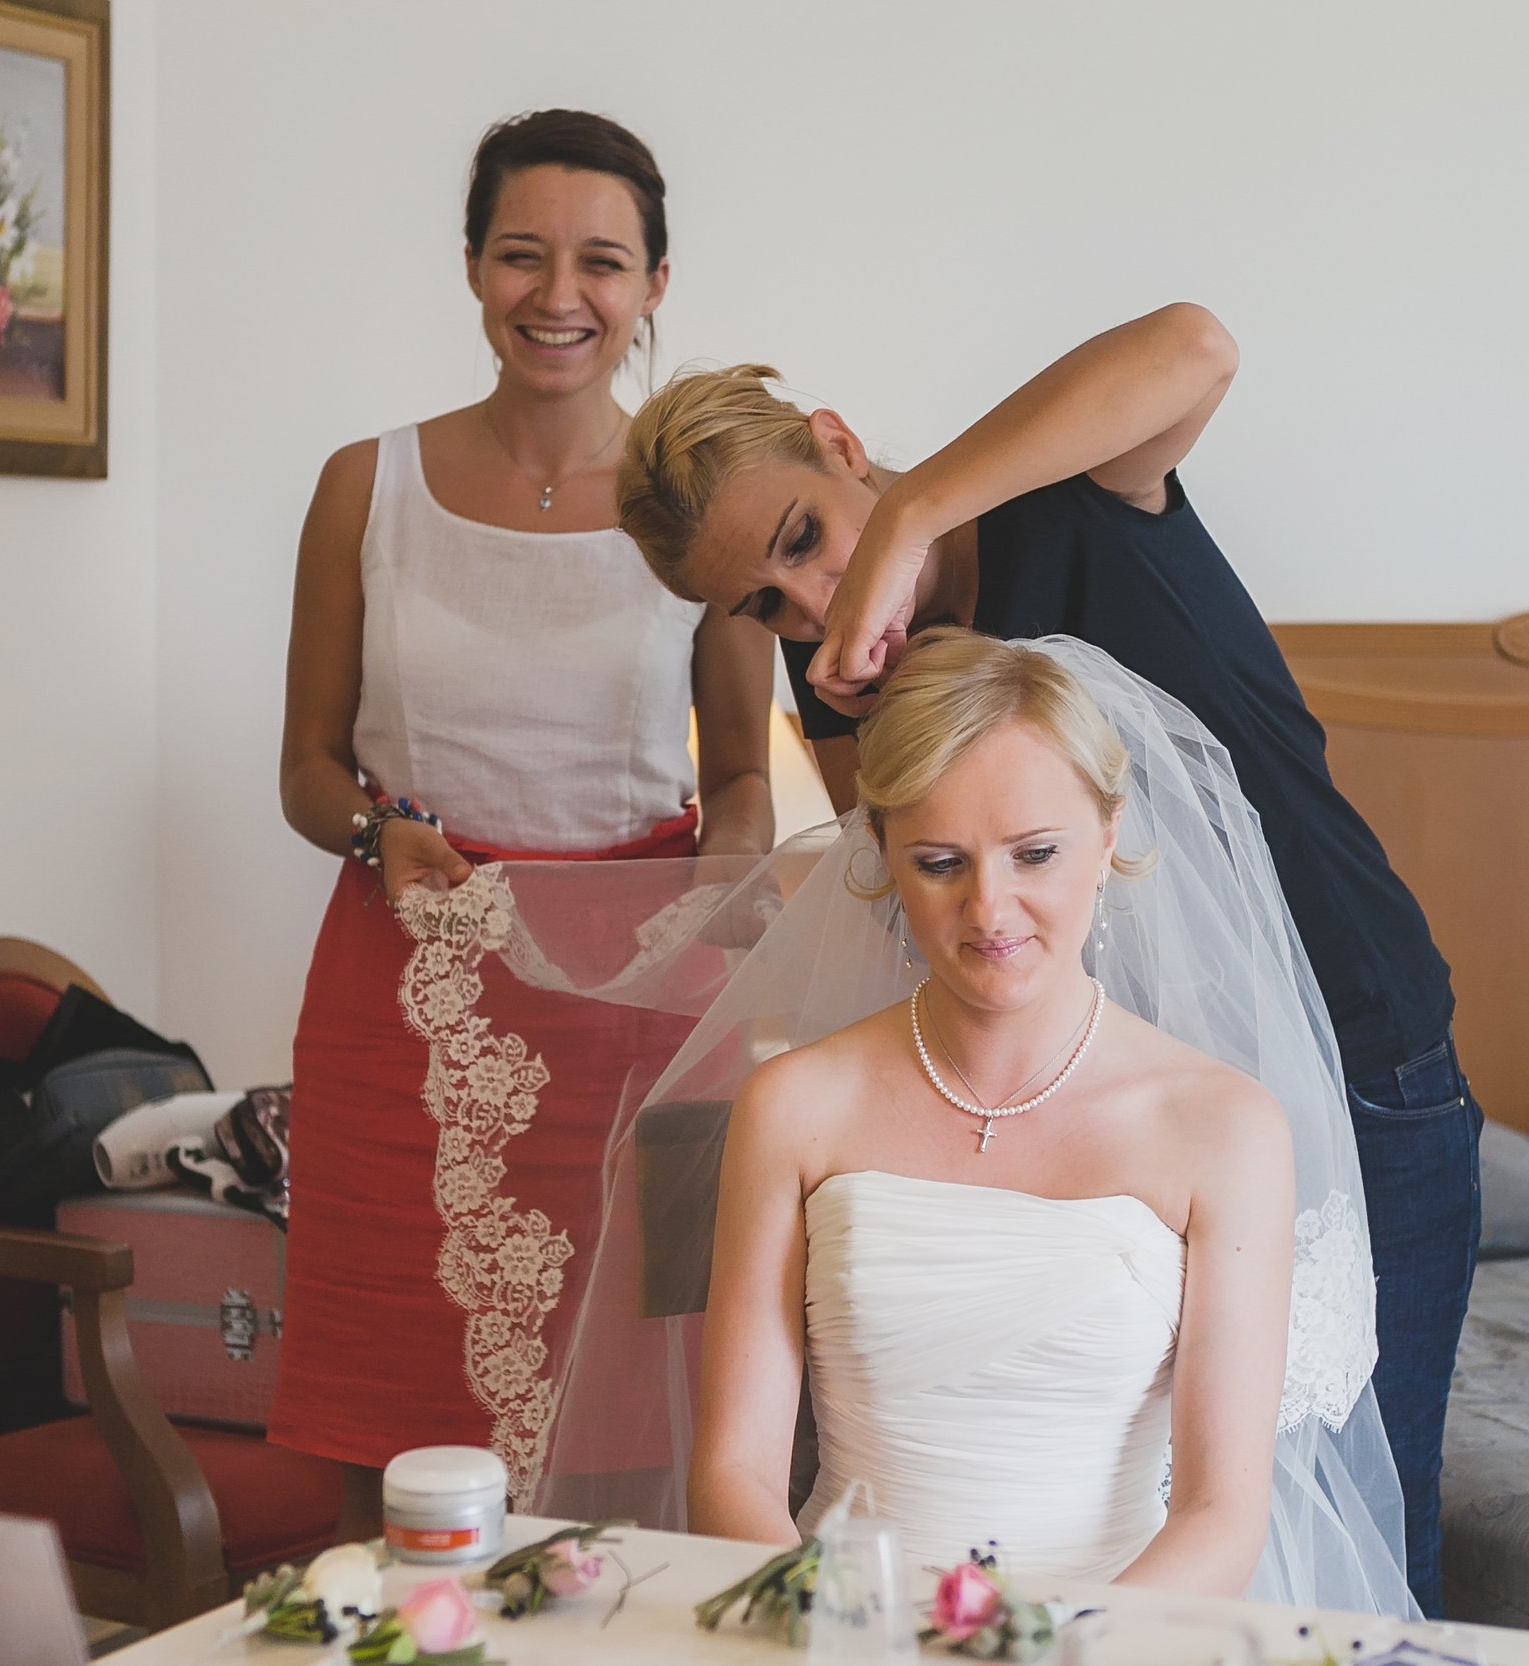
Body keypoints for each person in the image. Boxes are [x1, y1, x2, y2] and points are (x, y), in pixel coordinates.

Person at [614, 305, 1474, 1612]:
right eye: (762, 603)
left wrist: (907, 522)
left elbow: (1197, 344)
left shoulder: (1074, 497)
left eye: (805, 539)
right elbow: (926, 901)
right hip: (1092, 1121)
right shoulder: (831, 664)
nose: (808, 607)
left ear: (841, 446)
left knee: (1349, 1550)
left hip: (1355, 1057)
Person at [512, 629, 1410, 1611]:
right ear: (884, 855)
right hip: (838, 1626)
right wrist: (851, 1628)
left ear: (1108, 837)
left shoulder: (1225, 1127)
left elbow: (1220, 1514)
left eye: (1034, 854)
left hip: (1118, 1637)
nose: (991, 909)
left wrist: (1046, 1647)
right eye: (940, 861)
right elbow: (733, 1469)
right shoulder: (797, 1105)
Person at [268, 110, 775, 1521]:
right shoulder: (365, 486)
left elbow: (741, 776)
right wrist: (377, 834)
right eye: (521, 255)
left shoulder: (703, 512)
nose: (560, 296)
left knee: (640, 1403)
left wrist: (720, 876)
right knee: (388, 1406)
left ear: (656, 285)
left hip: (641, 1005)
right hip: (406, 996)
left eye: (603, 262)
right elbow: (309, 767)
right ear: (472, 268)